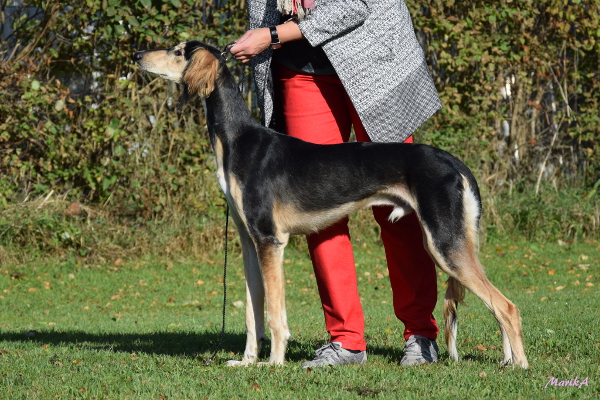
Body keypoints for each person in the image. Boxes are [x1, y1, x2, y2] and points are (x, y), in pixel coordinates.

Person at [230, 0, 442, 368]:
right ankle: (346, 340)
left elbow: (354, 5)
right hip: (300, 69)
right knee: (316, 208)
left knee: (401, 205)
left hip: (373, 58)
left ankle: (420, 334)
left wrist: (273, 35)